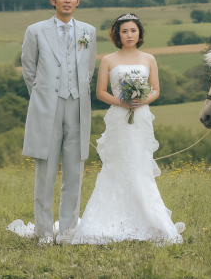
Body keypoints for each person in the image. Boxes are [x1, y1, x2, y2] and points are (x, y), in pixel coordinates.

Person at [59, 12, 185, 245]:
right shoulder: (108, 59)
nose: (129, 35)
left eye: (133, 30)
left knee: (140, 164)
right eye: (124, 31)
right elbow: (101, 93)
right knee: (117, 164)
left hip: (141, 117)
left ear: (140, 33)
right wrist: (122, 102)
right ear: (117, 34)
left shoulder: (149, 59)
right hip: (118, 117)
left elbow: (156, 89)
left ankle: (149, 218)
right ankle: (105, 220)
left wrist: (143, 99)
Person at [6, 0, 98, 245]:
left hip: (78, 106)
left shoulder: (88, 32)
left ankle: (69, 230)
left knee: (74, 169)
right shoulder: (35, 31)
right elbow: (29, 70)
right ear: (52, 0)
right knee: (45, 171)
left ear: (78, 0)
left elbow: (89, 70)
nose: (67, 0)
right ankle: (44, 231)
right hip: (47, 106)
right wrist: (44, 96)